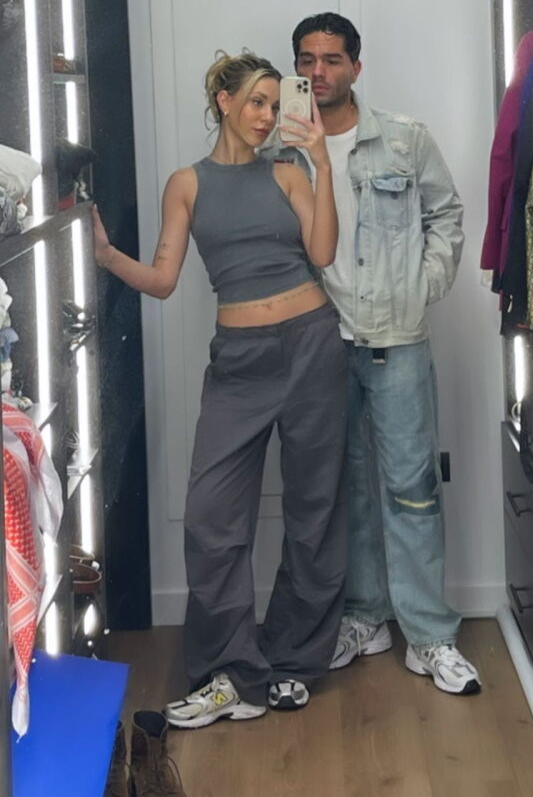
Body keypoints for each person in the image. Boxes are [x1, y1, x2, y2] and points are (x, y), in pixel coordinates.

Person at [92, 50, 349, 724]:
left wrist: (322, 165)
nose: (267, 116)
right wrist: (107, 256)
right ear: (224, 101)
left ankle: (293, 663)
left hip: (312, 347)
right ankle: (231, 674)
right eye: (257, 102)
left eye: (275, 105)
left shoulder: (289, 172)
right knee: (212, 518)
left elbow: (322, 254)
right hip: (239, 360)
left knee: (315, 510)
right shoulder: (187, 184)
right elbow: (163, 279)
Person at [263, 13, 481, 696]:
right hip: (320, 342)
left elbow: (445, 214)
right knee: (345, 488)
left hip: (395, 337)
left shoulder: (403, 139)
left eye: (332, 59)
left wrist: (425, 283)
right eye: (307, 60)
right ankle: (363, 618)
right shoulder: (280, 151)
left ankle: (430, 635)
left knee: (412, 489)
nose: (318, 72)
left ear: (356, 67)